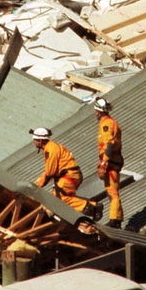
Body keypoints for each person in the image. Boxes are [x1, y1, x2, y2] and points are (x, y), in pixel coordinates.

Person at [30, 127, 102, 221]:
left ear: (40, 140)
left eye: (35, 140)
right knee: (66, 196)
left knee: (59, 198)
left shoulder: (51, 149)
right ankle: (92, 205)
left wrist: (37, 185)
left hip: (68, 176)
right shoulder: (51, 147)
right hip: (72, 175)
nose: (33, 142)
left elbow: (50, 172)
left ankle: (93, 207)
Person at [93, 97, 124, 229]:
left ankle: (115, 220)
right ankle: (116, 218)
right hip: (111, 160)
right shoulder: (109, 123)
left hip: (111, 162)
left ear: (99, 111)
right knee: (112, 190)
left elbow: (109, 144)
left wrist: (104, 162)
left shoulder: (106, 124)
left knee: (112, 192)